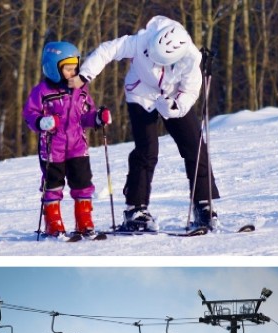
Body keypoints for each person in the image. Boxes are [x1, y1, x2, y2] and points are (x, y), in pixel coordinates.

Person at [71, 16, 220, 232]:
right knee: (147, 150)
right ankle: (136, 209)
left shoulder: (191, 59)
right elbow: (107, 50)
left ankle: (204, 205)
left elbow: (190, 91)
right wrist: (84, 75)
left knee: (195, 147)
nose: (153, 60)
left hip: (171, 97)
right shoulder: (143, 41)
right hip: (141, 93)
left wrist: (177, 107)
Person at [23, 41, 111, 238]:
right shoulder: (42, 92)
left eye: (75, 68)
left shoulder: (80, 89)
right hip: (52, 148)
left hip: (78, 146)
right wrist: (41, 121)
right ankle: (53, 224)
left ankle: (84, 222)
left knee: (82, 183)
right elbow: (29, 114)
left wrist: (98, 117)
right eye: (68, 69)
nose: (73, 73)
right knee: (53, 185)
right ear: (53, 69)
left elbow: (85, 115)